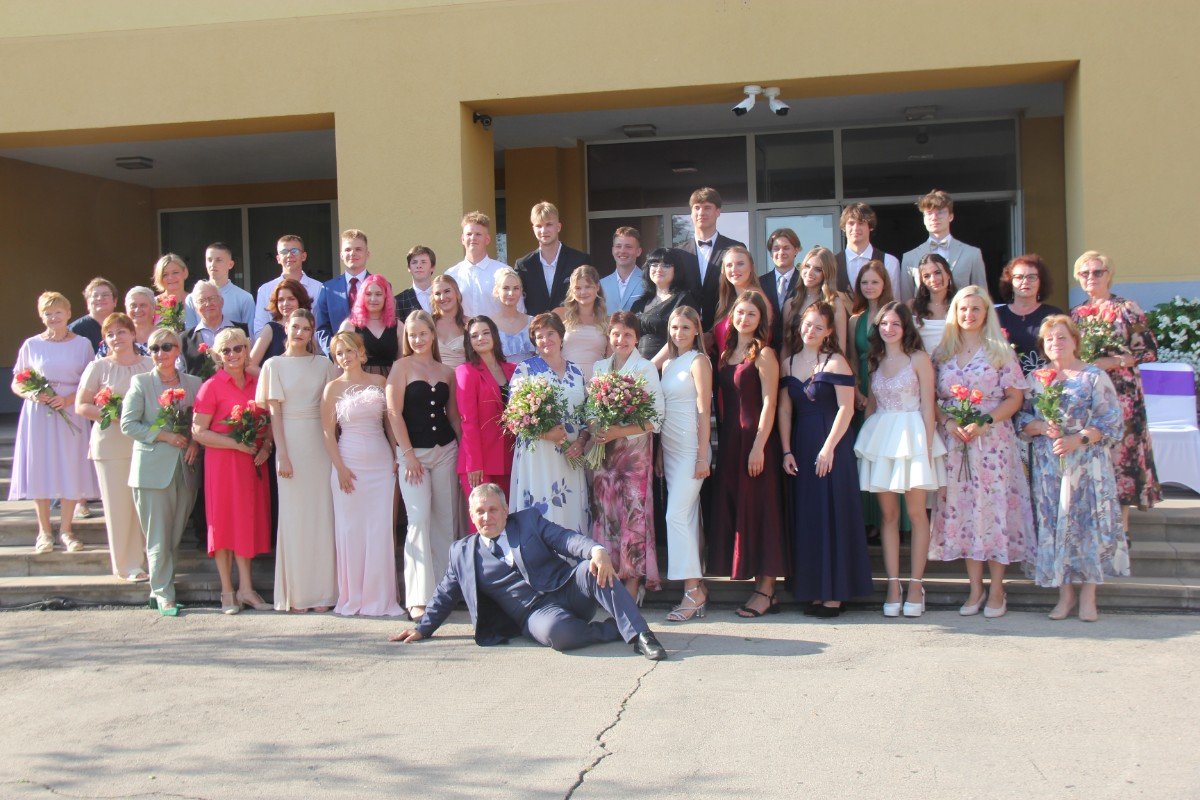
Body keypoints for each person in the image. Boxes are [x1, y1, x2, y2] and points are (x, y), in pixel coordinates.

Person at [389, 484, 667, 661]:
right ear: (471, 516)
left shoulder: (527, 521)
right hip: (535, 614)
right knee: (559, 635)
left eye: (493, 510)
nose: (487, 517)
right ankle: (613, 629)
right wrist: (423, 629)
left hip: (567, 589)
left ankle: (641, 636)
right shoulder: (462, 552)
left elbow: (564, 539)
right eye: (480, 512)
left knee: (592, 569)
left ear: (505, 510)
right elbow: (444, 595)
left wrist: (595, 550)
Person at [929, 286, 1034, 618]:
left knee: (993, 511)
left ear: (986, 313)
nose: (969, 315)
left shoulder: (999, 351)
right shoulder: (942, 353)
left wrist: (986, 421)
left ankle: (998, 589)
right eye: (963, 309)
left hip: (992, 443)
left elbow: (1015, 397)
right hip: (956, 445)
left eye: (976, 309)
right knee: (965, 514)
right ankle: (975, 588)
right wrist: (947, 422)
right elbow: (931, 397)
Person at [1019, 315, 1129, 622]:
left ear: (1075, 341)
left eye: (1062, 337)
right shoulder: (1035, 378)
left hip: (1086, 463)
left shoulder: (1093, 376)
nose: (1056, 343)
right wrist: (1041, 426)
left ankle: (1089, 596)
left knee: (1086, 526)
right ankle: (1065, 595)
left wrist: (1077, 439)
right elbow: (1022, 419)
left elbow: (1111, 420)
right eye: (1050, 338)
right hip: (1048, 464)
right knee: (1054, 524)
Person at [778, 302, 872, 617]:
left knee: (833, 514)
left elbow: (846, 408)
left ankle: (835, 594)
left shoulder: (836, 362)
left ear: (829, 331)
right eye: (808, 324)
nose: (811, 331)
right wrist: (787, 450)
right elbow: (785, 410)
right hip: (801, 447)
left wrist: (828, 448)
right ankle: (815, 590)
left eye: (819, 327)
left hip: (832, 447)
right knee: (809, 516)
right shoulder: (788, 363)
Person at [854, 302, 945, 617]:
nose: (888, 329)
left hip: (913, 436)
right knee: (888, 515)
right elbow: (872, 405)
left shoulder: (919, 358)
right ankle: (894, 584)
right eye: (884, 323)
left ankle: (916, 584)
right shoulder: (875, 359)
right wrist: (864, 443)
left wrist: (927, 447)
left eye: (895, 323)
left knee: (917, 514)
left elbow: (928, 405)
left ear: (905, 327)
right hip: (882, 437)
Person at [708, 291, 788, 617]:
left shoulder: (765, 354)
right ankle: (757, 584)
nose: (744, 319)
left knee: (762, 511)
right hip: (731, 441)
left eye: (751, 314)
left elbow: (770, 402)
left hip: (757, 441)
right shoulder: (727, 353)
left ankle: (766, 590)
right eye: (740, 313)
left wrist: (758, 446)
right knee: (743, 510)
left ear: (760, 320)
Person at [1069, 250, 1161, 524]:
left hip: (1122, 395)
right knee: (1094, 455)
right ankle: (1097, 526)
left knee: (1122, 459)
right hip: (1089, 395)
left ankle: (1123, 530)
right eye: (1085, 273)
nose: (1091, 277)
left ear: (1109, 275)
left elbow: (1149, 351)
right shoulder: (1076, 314)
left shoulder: (1126, 308)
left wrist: (1113, 362)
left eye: (1098, 272)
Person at [257, 309, 339, 613]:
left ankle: (324, 593)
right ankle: (298, 594)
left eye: (306, 328)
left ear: (312, 331)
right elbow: (275, 414)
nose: (300, 332)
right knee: (294, 519)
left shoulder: (324, 365)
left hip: (320, 444)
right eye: (295, 327)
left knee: (322, 515)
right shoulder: (273, 365)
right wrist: (282, 453)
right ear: (286, 328)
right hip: (290, 442)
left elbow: (332, 410)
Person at [191, 327, 273, 615]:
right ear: (218, 355)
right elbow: (198, 432)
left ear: (247, 350)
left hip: (252, 465)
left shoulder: (257, 382)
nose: (233, 354)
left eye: (238, 348)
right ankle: (227, 591)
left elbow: (270, 420)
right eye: (226, 350)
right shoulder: (211, 386)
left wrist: (266, 446)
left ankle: (246, 589)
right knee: (224, 524)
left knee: (245, 523)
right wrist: (235, 444)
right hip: (223, 465)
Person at [9, 292, 99, 553]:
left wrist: (68, 399)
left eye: (58, 312)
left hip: (71, 410)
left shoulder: (82, 344)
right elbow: (17, 381)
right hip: (39, 413)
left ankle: (67, 530)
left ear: (68, 313)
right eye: (48, 313)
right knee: (41, 467)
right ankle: (44, 532)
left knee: (70, 465)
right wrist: (32, 394)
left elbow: (91, 381)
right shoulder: (31, 344)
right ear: (41, 316)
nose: (54, 317)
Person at [120, 327, 202, 616]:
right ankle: (163, 592)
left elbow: (202, 421)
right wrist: (165, 436)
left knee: (175, 535)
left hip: (186, 469)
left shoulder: (194, 383)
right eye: (154, 348)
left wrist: (195, 442)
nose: (160, 353)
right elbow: (128, 424)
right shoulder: (141, 383)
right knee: (158, 536)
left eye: (167, 347)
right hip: (152, 471)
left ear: (177, 350)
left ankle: (161, 587)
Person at [322, 331, 404, 617]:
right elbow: (327, 433)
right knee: (351, 529)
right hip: (349, 461)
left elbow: (389, 423)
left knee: (380, 528)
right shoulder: (332, 388)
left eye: (349, 351)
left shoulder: (380, 382)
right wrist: (340, 468)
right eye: (339, 353)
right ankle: (353, 596)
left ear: (360, 352)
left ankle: (380, 597)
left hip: (381, 464)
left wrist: (395, 454)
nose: (345, 357)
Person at [387, 311, 461, 620]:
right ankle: (418, 597)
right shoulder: (401, 367)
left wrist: (465, 450)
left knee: (445, 519)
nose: (418, 339)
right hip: (413, 454)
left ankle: (445, 591)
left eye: (422, 333)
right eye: (412, 335)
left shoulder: (446, 371)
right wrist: (408, 455)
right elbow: (393, 413)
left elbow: (453, 415)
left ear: (432, 334)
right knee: (418, 520)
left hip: (445, 451)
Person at [589, 312, 665, 605]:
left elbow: (656, 419)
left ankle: (633, 586)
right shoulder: (599, 367)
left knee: (633, 518)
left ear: (637, 338)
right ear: (609, 336)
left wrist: (618, 431)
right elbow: (591, 410)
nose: (621, 340)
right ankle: (609, 584)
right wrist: (597, 428)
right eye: (616, 334)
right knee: (606, 515)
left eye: (628, 335)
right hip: (605, 456)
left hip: (634, 457)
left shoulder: (645, 368)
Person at [75, 313, 153, 580]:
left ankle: (152, 559)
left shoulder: (149, 364)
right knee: (119, 506)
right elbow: (82, 405)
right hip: (111, 445)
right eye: (110, 334)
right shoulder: (98, 367)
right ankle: (128, 564)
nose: (116, 338)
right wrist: (116, 416)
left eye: (121, 332)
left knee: (146, 506)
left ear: (133, 334)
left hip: (145, 443)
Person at [509, 313, 591, 533]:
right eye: (539, 336)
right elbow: (514, 417)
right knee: (542, 506)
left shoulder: (576, 371)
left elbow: (586, 416)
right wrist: (548, 435)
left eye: (550, 333)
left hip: (570, 454)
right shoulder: (525, 370)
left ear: (561, 336)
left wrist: (581, 442)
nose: (545, 340)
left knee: (570, 508)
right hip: (539, 455)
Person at [657, 306, 711, 622]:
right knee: (686, 518)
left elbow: (704, 409)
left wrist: (702, 455)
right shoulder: (668, 364)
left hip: (692, 449)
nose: (679, 333)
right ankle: (695, 589)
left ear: (696, 331)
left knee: (675, 515)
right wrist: (660, 454)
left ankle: (693, 591)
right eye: (675, 327)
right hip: (671, 449)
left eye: (686, 328)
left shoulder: (698, 361)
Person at [846, 260, 903, 538]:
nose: (869, 287)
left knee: (888, 452)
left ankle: (891, 522)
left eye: (875, 282)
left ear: (885, 284)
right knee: (867, 452)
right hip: (862, 390)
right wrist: (857, 390)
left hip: (889, 386)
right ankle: (868, 521)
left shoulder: (894, 315)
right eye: (865, 282)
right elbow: (851, 357)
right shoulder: (854, 320)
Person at [456, 315, 516, 507]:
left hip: (510, 458)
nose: (481, 338)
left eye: (485, 333)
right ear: (469, 342)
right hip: (480, 462)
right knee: (483, 519)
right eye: (474, 336)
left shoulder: (513, 369)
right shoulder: (466, 371)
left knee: (508, 517)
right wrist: (474, 463)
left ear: (494, 336)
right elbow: (468, 420)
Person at [672, 187, 745, 329]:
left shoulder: (734, 248)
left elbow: (741, 289)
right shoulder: (678, 252)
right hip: (687, 330)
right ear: (691, 213)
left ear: (718, 212)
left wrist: (715, 330)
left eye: (707, 207)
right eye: (697, 208)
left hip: (725, 327)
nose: (701, 213)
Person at [899, 189, 986, 302]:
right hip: (923, 313)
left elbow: (982, 298)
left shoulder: (972, 254)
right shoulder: (909, 257)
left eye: (940, 212)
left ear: (951, 216)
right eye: (929, 213)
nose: (934, 217)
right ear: (924, 219)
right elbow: (906, 302)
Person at [515, 201, 591, 315]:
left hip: (572, 324)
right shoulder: (523, 265)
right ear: (533, 229)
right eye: (539, 226)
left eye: (549, 224)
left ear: (558, 227)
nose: (543, 231)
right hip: (535, 325)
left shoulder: (580, 261)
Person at [996, 254, 1064, 375]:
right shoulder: (996, 316)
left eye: (1031, 277)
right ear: (1010, 282)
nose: (1025, 281)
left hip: (1046, 382)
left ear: (1041, 282)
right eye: (1018, 277)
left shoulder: (1054, 315)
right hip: (1005, 381)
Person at [630, 248, 698, 362]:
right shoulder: (638, 304)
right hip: (638, 367)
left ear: (676, 270)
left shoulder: (683, 299)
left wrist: (651, 366)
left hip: (670, 365)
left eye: (666, 265)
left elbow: (679, 338)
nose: (659, 269)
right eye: (654, 264)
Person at [781, 246, 848, 356]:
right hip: (794, 365)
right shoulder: (790, 304)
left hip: (824, 365)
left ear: (827, 273)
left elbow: (841, 348)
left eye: (818, 269)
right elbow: (786, 347)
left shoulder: (834, 304)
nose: (810, 272)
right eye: (807, 266)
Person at [253, 235, 325, 336]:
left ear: (303, 256)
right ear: (278, 258)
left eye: (294, 251)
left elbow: (321, 328)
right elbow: (259, 329)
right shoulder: (265, 290)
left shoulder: (319, 288)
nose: (289, 255)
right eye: (284, 252)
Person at [315, 229, 372, 354]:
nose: (352, 253)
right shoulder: (328, 289)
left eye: (358, 249)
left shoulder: (380, 286)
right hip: (340, 360)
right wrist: (335, 355)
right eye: (348, 249)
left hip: (374, 358)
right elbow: (322, 328)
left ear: (367, 254)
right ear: (341, 255)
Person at [445, 212, 510, 318]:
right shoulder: (451, 275)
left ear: (487, 239)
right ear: (462, 239)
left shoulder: (504, 272)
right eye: (469, 234)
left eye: (478, 234)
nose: (473, 238)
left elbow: (517, 310)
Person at [711, 245, 770, 356]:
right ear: (723, 270)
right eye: (729, 265)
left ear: (751, 267)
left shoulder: (756, 297)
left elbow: (765, 336)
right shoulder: (728, 299)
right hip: (726, 365)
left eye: (740, 264)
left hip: (747, 364)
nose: (734, 269)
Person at [182, 280, 249, 376]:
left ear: (222, 302)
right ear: (195, 308)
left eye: (212, 298)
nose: (208, 304)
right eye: (201, 301)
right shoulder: (184, 339)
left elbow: (249, 365)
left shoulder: (242, 331)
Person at [555, 265, 609, 381]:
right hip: (565, 381)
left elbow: (611, 358)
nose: (583, 292)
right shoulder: (559, 315)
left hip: (597, 384)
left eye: (588, 287)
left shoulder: (607, 321)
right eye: (578, 288)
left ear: (597, 287)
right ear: (572, 290)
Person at [340, 273, 400, 377]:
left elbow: (403, 362)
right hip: (358, 383)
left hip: (392, 382)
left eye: (378, 294)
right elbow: (340, 362)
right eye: (368, 294)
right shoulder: (349, 326)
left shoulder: (398, 326)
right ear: (362, 296)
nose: (373, 299)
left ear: (386, 297)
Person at [183, 242, 255, 330]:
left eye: (218, 260)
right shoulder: (192, 298)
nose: (212, 264)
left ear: (230, 264)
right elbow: (191, 334)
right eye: (209, 260)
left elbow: (249, 334)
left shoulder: (244, 298)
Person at [835, 203, 901, 296]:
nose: (855, 228)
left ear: (870, 227)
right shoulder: (832, 263)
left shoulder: (889, 262)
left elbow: (895, 300)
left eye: (861, 223)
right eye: (851, 223)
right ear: (844, 227)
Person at [248, 278, 313, 371]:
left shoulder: (308, 326)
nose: (285, 303)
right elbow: (250, 366)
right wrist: (274, 377)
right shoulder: (270, 329)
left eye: (291, 299)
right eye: (281, 300)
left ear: (300, 300)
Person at [909, 253, 958, 355]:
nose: (933, 279)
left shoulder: (960, 305)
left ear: (948, 274)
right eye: (926, 276)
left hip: (952, 362)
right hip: (921, 362)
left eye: (937, 273)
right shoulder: (912, 306)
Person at [760, 228, 800, 345]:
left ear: (796, 250)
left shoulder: (805, 282)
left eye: (786, 248)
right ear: (771, 253)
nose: (781, 252)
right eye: (776, 248)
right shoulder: (759, 283)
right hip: (767, 346)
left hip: (797, 347)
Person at [97, 286, 156, 357]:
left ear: (153, 308)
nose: (137, 310)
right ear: (126, 309)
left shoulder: (165, 336)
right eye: (133, 306)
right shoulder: (112, 341)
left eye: (143, 305)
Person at [492, 268, 535, 363]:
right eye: (506, 288)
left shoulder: (532, 322)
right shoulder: (489, 325)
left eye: (516, 288)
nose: (511, 293)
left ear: (521, 291)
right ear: (497, 291)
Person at [599, 226, 645, 312]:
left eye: (628, 247)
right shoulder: (601, 284)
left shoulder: (648, 282)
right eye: (618, 246)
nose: (622, 251)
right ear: (613, 250)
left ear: (638, 251)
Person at [69, 277, 118, 351]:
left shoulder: (124, 326)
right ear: (88, 302)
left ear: (115, 301)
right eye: (95, 295)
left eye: (105, 295)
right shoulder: (74, 330)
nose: (100, 298)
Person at [431, 274, 468, 369]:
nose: (442, 297)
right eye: (437, 294)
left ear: (457, 293)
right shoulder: (428, 324)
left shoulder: (470, 324)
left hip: (465, 377)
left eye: (447, 291)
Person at [395, 245, 436, 319]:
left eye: (423, 262)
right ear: (409, 268)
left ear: (432, 267)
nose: (418, 266)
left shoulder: (442, 296)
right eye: (414, 262)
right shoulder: (399, 301)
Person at [152, 253, 190, 319]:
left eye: (175, 272)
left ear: (185, 272)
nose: (170, 277)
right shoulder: (153, 304)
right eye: (165, 275)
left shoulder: (195, 300)